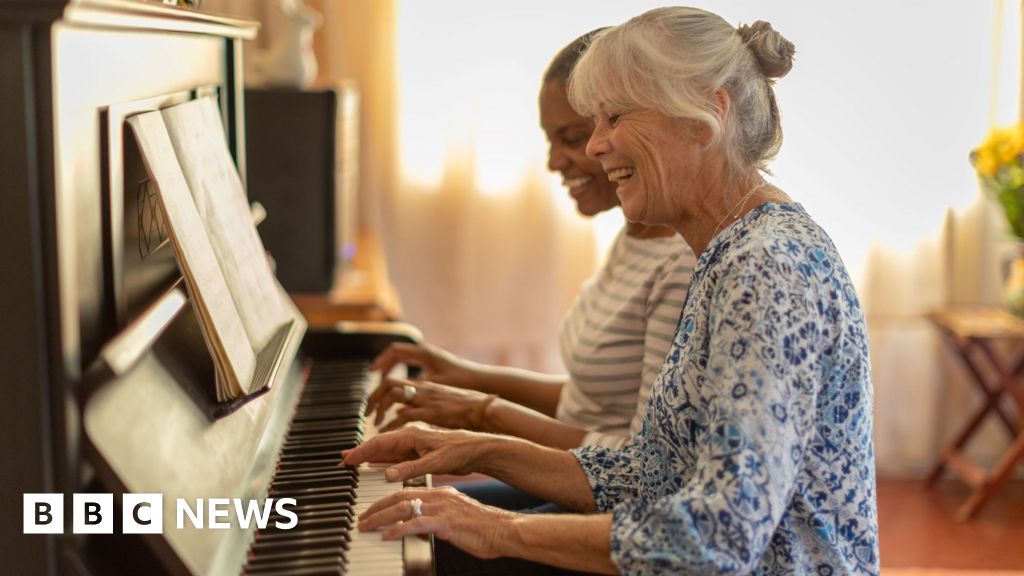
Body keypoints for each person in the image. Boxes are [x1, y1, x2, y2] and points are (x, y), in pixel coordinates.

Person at [343, 7, 880, 575]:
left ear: (707, 113)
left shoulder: (767, 267)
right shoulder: (728, 250)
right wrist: (478, 445)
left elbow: (719, 538)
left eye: (614, 117)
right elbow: (654, 472)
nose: (597, 146)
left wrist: (497, 525)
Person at [365, 30, 696, 456]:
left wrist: (481, 412)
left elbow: (640, 462)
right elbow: (587, 406)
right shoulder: (637, 233)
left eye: (571, 139)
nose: (553, 162)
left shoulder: (678, 266)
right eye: (550, 141)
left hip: (601, 503)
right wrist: (469, 375)